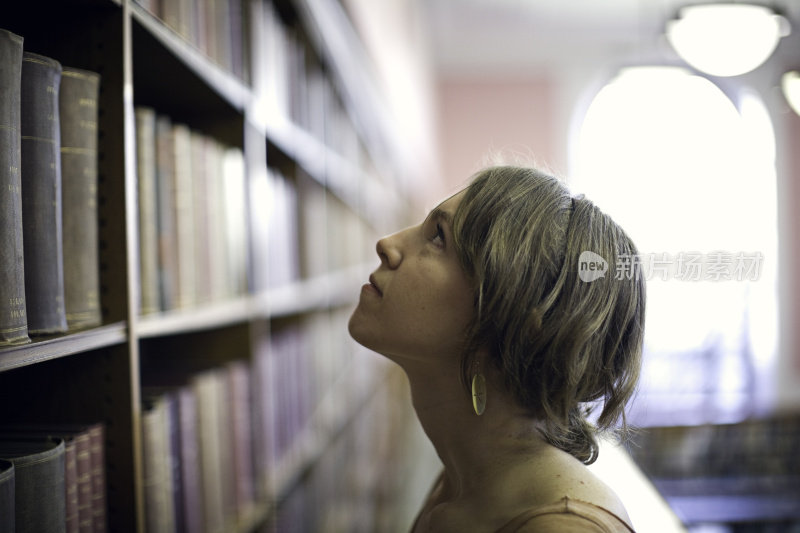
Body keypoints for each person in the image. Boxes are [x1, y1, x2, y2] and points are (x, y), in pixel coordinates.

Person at [348, 165, 646, 532]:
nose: (388, 244)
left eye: (438, 237)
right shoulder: (462, 475)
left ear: (510, 322)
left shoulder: (564, 528)